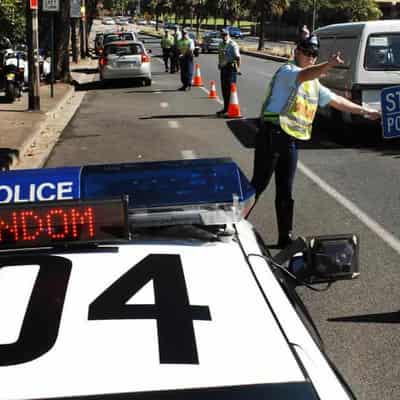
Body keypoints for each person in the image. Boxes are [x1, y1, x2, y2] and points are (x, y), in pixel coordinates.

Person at [249, 35, 381, 248]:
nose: (311, 57)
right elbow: (305, 74)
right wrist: (328, 64)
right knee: (258, 185)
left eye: (314, 54)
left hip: (291, 140)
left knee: (286, 190)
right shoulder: (288, 72)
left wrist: (365, 111)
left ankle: (285, 238)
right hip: (271, 135)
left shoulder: (313, 84)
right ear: (296, 52)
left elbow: (337, 100)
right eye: (307, 52)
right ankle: (233, 225)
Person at [217, 28, 241, 117]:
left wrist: (238, 68)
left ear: (228, 35)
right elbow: (220, 55)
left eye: (225, 35)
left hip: (231, 68)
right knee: (224, 89)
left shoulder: (232, 44)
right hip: (223, 68)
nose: (224, 37)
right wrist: (219, 63)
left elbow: (238, 57)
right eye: (222, 35)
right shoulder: (220, 44)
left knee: (230, 89)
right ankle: (226, 108)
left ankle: (230, 109)